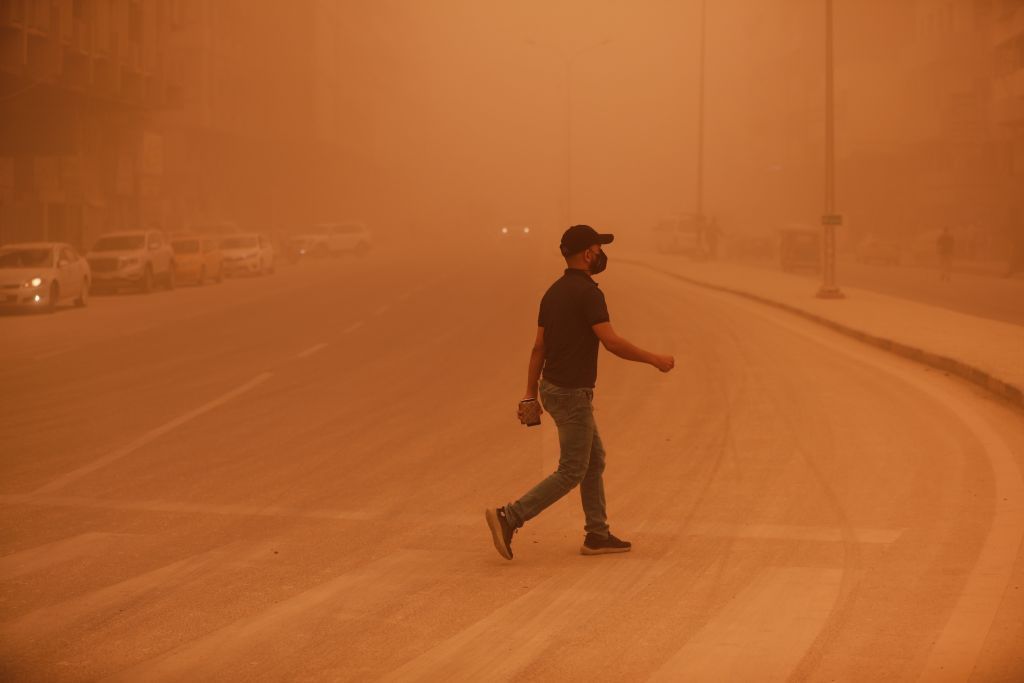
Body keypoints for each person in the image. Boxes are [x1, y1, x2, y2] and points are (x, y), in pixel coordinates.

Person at [485, 225, 675, 560]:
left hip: (553, 388)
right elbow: (611, 341)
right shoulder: (589, 293)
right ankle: (510, 516)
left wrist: (530, 394)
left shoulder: (553, 292)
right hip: (572, 393)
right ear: (588, 254)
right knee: (572, 468)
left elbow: (538, 348)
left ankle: (597, 534)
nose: (601, 254)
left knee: (593, 460)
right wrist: (654, 359)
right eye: (598, 248)